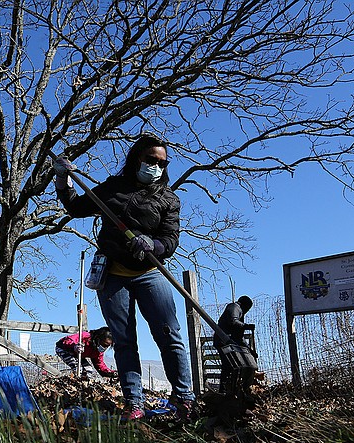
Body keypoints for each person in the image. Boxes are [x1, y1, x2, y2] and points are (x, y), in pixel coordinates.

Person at [54, 134, 196, 421]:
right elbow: (76, 207)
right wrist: (62, 180)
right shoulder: (113, 188)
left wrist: (153, 245)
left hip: (149, 274)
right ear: (136, 160)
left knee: (170, 336)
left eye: (162, 163)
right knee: (125, 341)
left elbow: (170, 239)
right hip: (113, 276)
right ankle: (135, 403)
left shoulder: (168, 199)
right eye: (150, 160)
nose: (156, 166)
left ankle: (184, 398)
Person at [213, 295, 257, 398]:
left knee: (233, 366)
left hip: (228, 342)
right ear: (244, 305)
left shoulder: (239, 312)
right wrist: (246, 326)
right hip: (224, 341)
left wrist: (250, 350)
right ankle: (224, 391)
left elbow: (240, 337)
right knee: (228, 365)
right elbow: (233, 321)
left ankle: (231, 390)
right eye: (248, 308)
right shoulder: (234, 307)